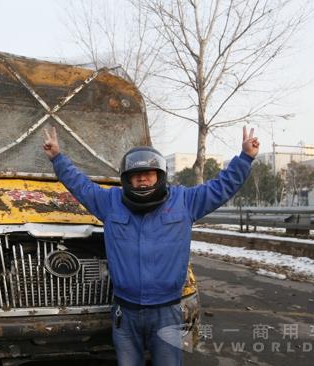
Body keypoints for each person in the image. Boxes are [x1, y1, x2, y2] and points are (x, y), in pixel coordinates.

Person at [43, 126, 259, 366]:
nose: (143, 179)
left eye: (149, 173)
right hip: (125, 313)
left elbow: (222, 187)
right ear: (127, 179)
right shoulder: (110, 202)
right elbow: (81, 185)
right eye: (136, 175)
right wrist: (58, 158)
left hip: (167, 312)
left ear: (160, 175)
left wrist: (245, 158)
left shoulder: (185, 201)